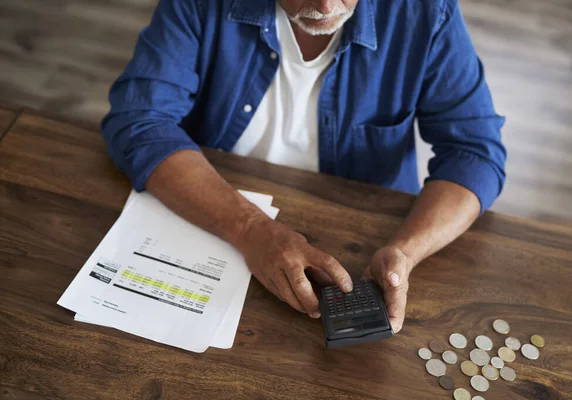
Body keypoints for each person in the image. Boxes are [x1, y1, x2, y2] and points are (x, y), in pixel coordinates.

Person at [102, 0, 506, 333]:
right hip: (212, 215)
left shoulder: (425, 12)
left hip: (356, 249)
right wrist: (252, 229)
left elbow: (474, 154)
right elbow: (139, 122)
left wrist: (407, 250)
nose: (326, 6)